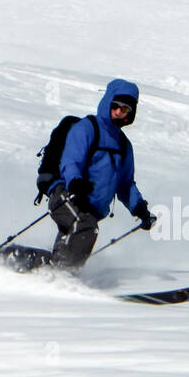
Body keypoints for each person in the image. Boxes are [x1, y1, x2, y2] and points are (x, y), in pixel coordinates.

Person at [47, 78, 156, 267]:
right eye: (116, 106)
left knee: (68, 247)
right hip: (67, 196)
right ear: (108, 103)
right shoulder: (87, 128)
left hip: (90, 208)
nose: (119, 112)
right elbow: (71, 160)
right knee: (85, 227)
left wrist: (139, 208)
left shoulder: (123, 145)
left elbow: (125, 184)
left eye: (125, 109)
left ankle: (26, 264)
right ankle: (63, 277)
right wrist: (75, 182)